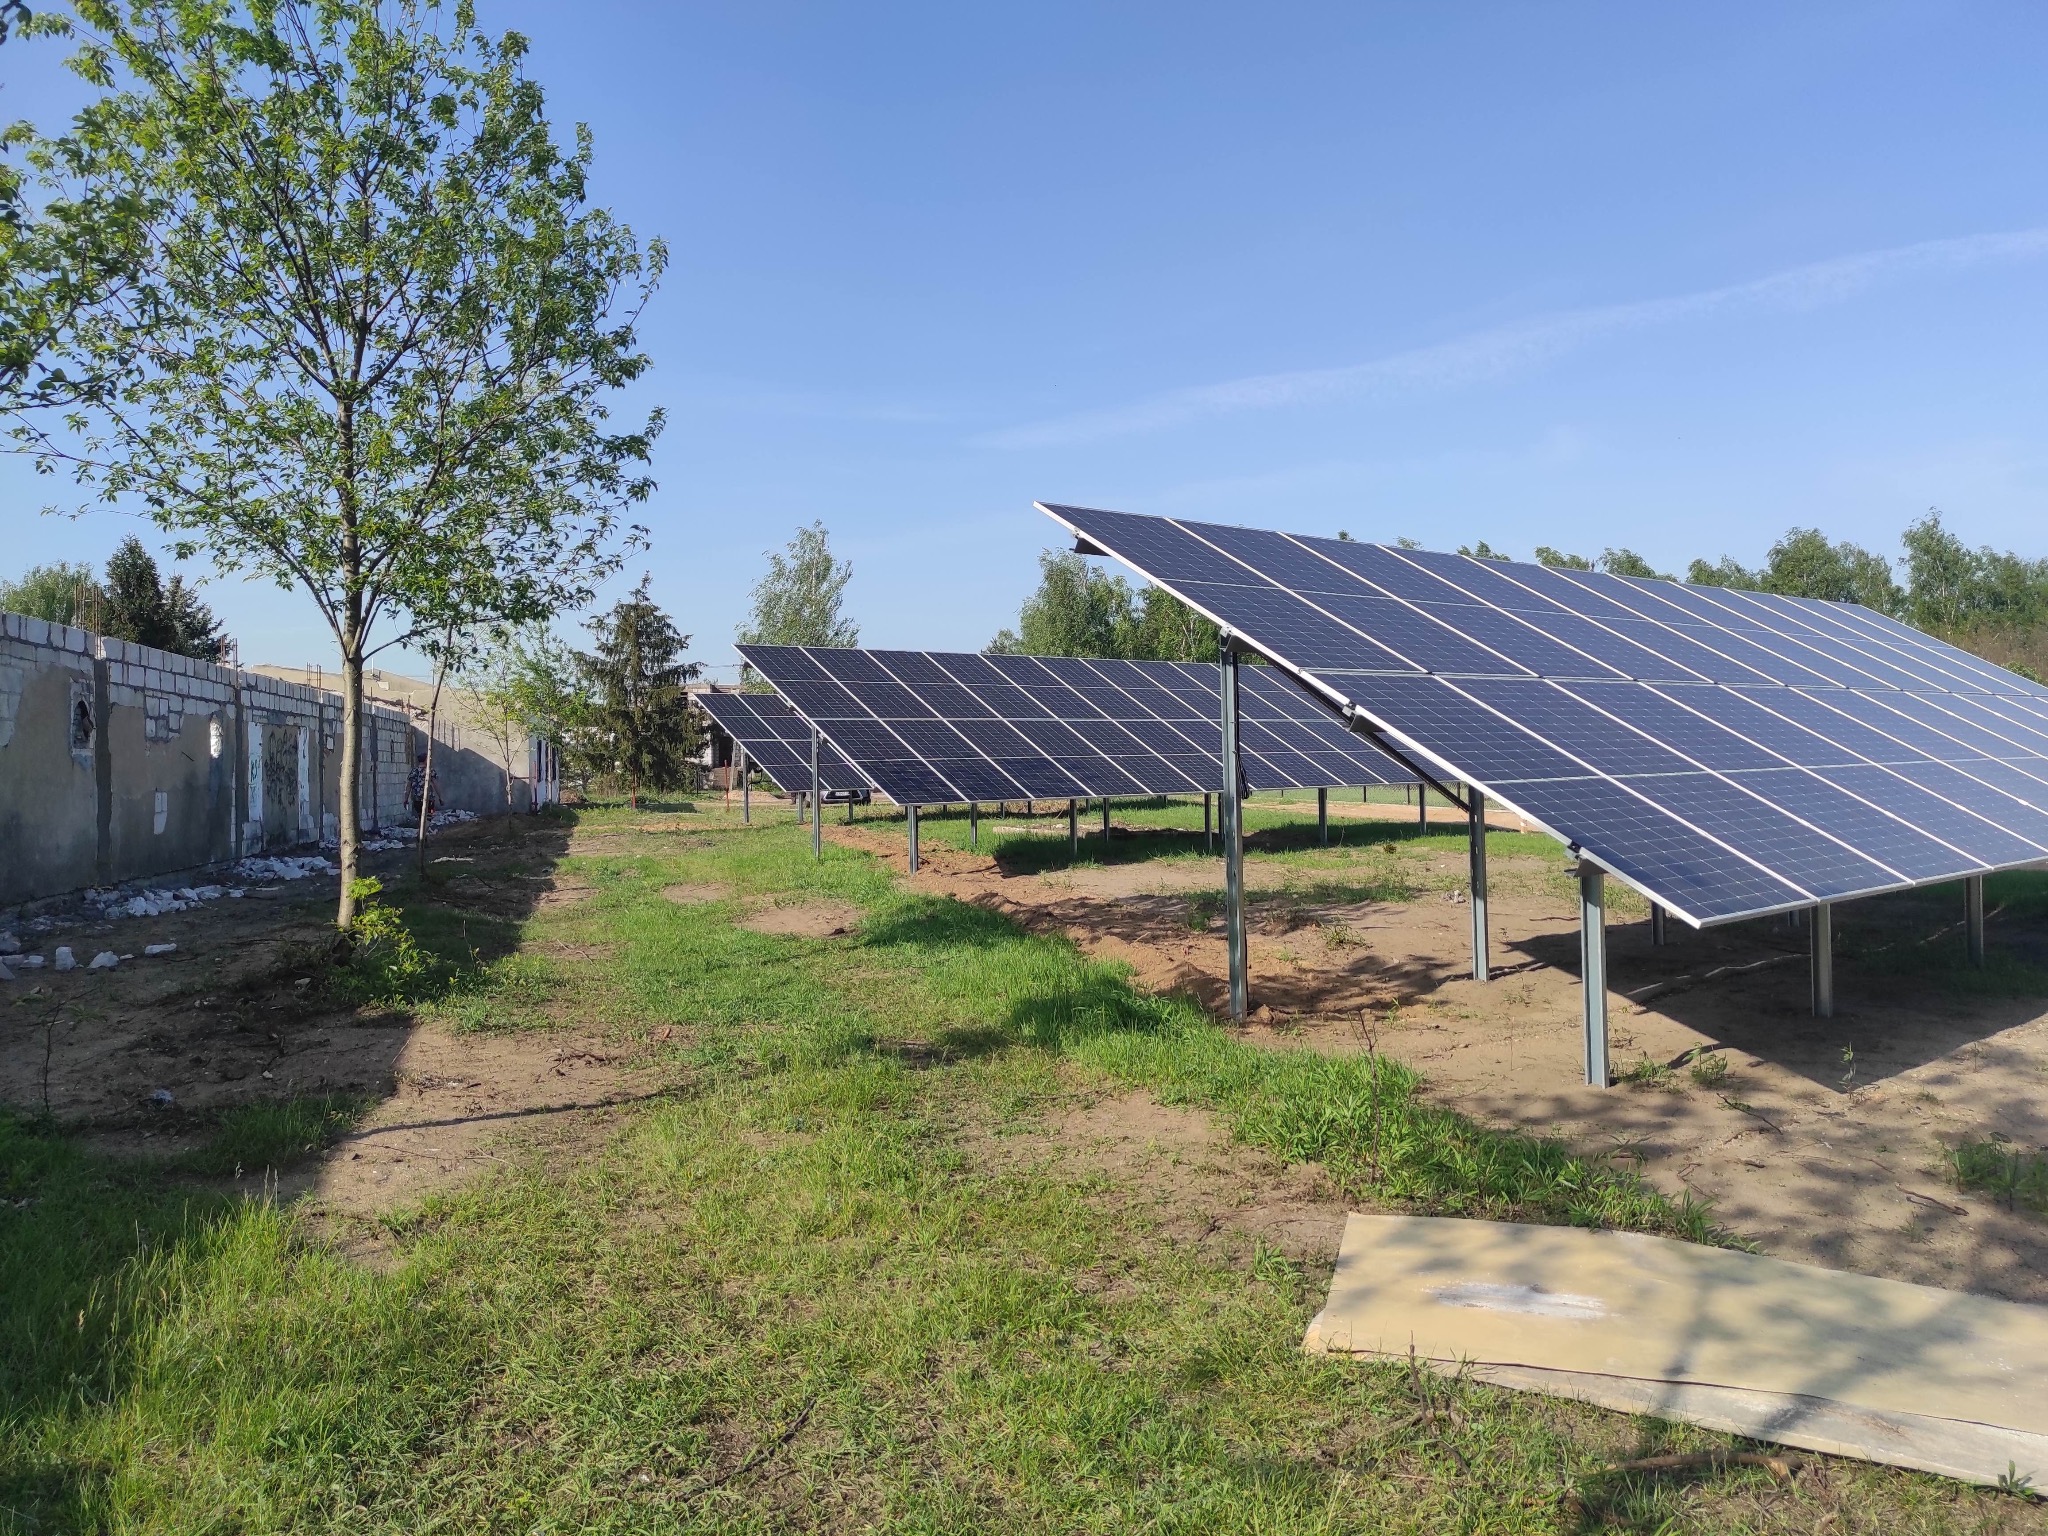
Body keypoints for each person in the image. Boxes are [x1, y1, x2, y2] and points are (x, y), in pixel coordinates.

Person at [405, 751, 442, 819]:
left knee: (420, 818)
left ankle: (421, 829)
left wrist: (406, 799)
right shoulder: (430, 771)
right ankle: (425, 829)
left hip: (417, 800)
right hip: (429, 800)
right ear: (425, 760)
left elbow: (408, 786)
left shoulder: (413, 771)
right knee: (428, 818)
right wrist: (440, 798)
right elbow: (436, 785)